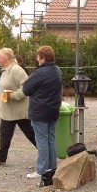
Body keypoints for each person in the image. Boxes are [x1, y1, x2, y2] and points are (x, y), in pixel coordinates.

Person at [0, 48, 36, 167]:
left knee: (30, 133)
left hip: (19, 110)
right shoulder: (4, 71)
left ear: (6, 58)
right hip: (7, 110)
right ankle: (1, 158)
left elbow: (26, 87)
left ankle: (47, 152)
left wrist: (13, 96)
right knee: (4, 133)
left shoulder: (17, 70)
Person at [22, 46, 62, 179]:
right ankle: (52, 167)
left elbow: (26, 89)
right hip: (53, 109)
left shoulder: (38, 73)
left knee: (42, 140)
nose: (36, 59)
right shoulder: (57, 70)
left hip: (40, 110)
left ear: (43, 58)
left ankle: (41, 170)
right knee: (51, 138)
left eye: (38, 56)